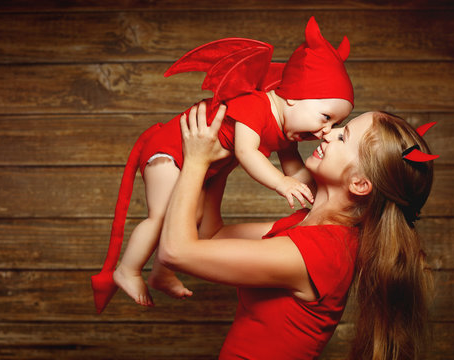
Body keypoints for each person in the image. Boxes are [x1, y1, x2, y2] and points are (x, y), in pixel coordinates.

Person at [91, 16, 354, 311]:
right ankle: (127, 269)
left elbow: (296, 171)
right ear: (294, 98)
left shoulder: (286, 132)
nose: (327, 131)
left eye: (336, 124)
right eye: (325, 117)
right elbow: (246, 152)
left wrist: (327, 190)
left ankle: (161, 273)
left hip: (200, 164)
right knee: (164, 215)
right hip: (171, 151)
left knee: (191, 215)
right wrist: (281, 183)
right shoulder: (257, 105)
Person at [158, 102, 436, 359]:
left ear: (360, 184)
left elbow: (176, 251)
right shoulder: (307, 227)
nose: (328, 134)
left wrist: (196, 161)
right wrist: (228, 157)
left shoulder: (319, 252)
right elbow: (211, 236)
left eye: (343, 137)